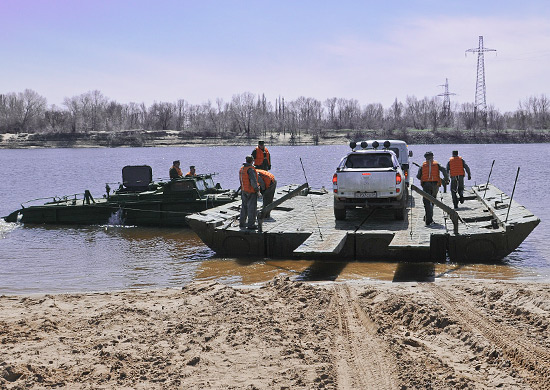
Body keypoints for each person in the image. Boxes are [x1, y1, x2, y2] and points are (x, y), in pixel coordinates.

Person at [416, 151, 449, 226]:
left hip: (426, 185)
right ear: (432, 157)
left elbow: (418, 176)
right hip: (435, 185)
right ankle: (428, 217)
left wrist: (424, 176)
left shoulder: (423, 166)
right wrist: (446, 179)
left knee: (427, 202)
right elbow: (444, 169)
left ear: (425, 158)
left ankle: (428, 219)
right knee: (433, 201)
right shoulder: (437, 164)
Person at [239, 156, 260, 229]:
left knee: (244, 207)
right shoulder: (250, 169)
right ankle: (251, 224)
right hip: (251, 191)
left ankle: (242, 223)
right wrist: (257, 191)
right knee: (252, 208)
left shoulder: (242, 169)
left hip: (244, 190)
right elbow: (253, 181)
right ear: (252, 161)